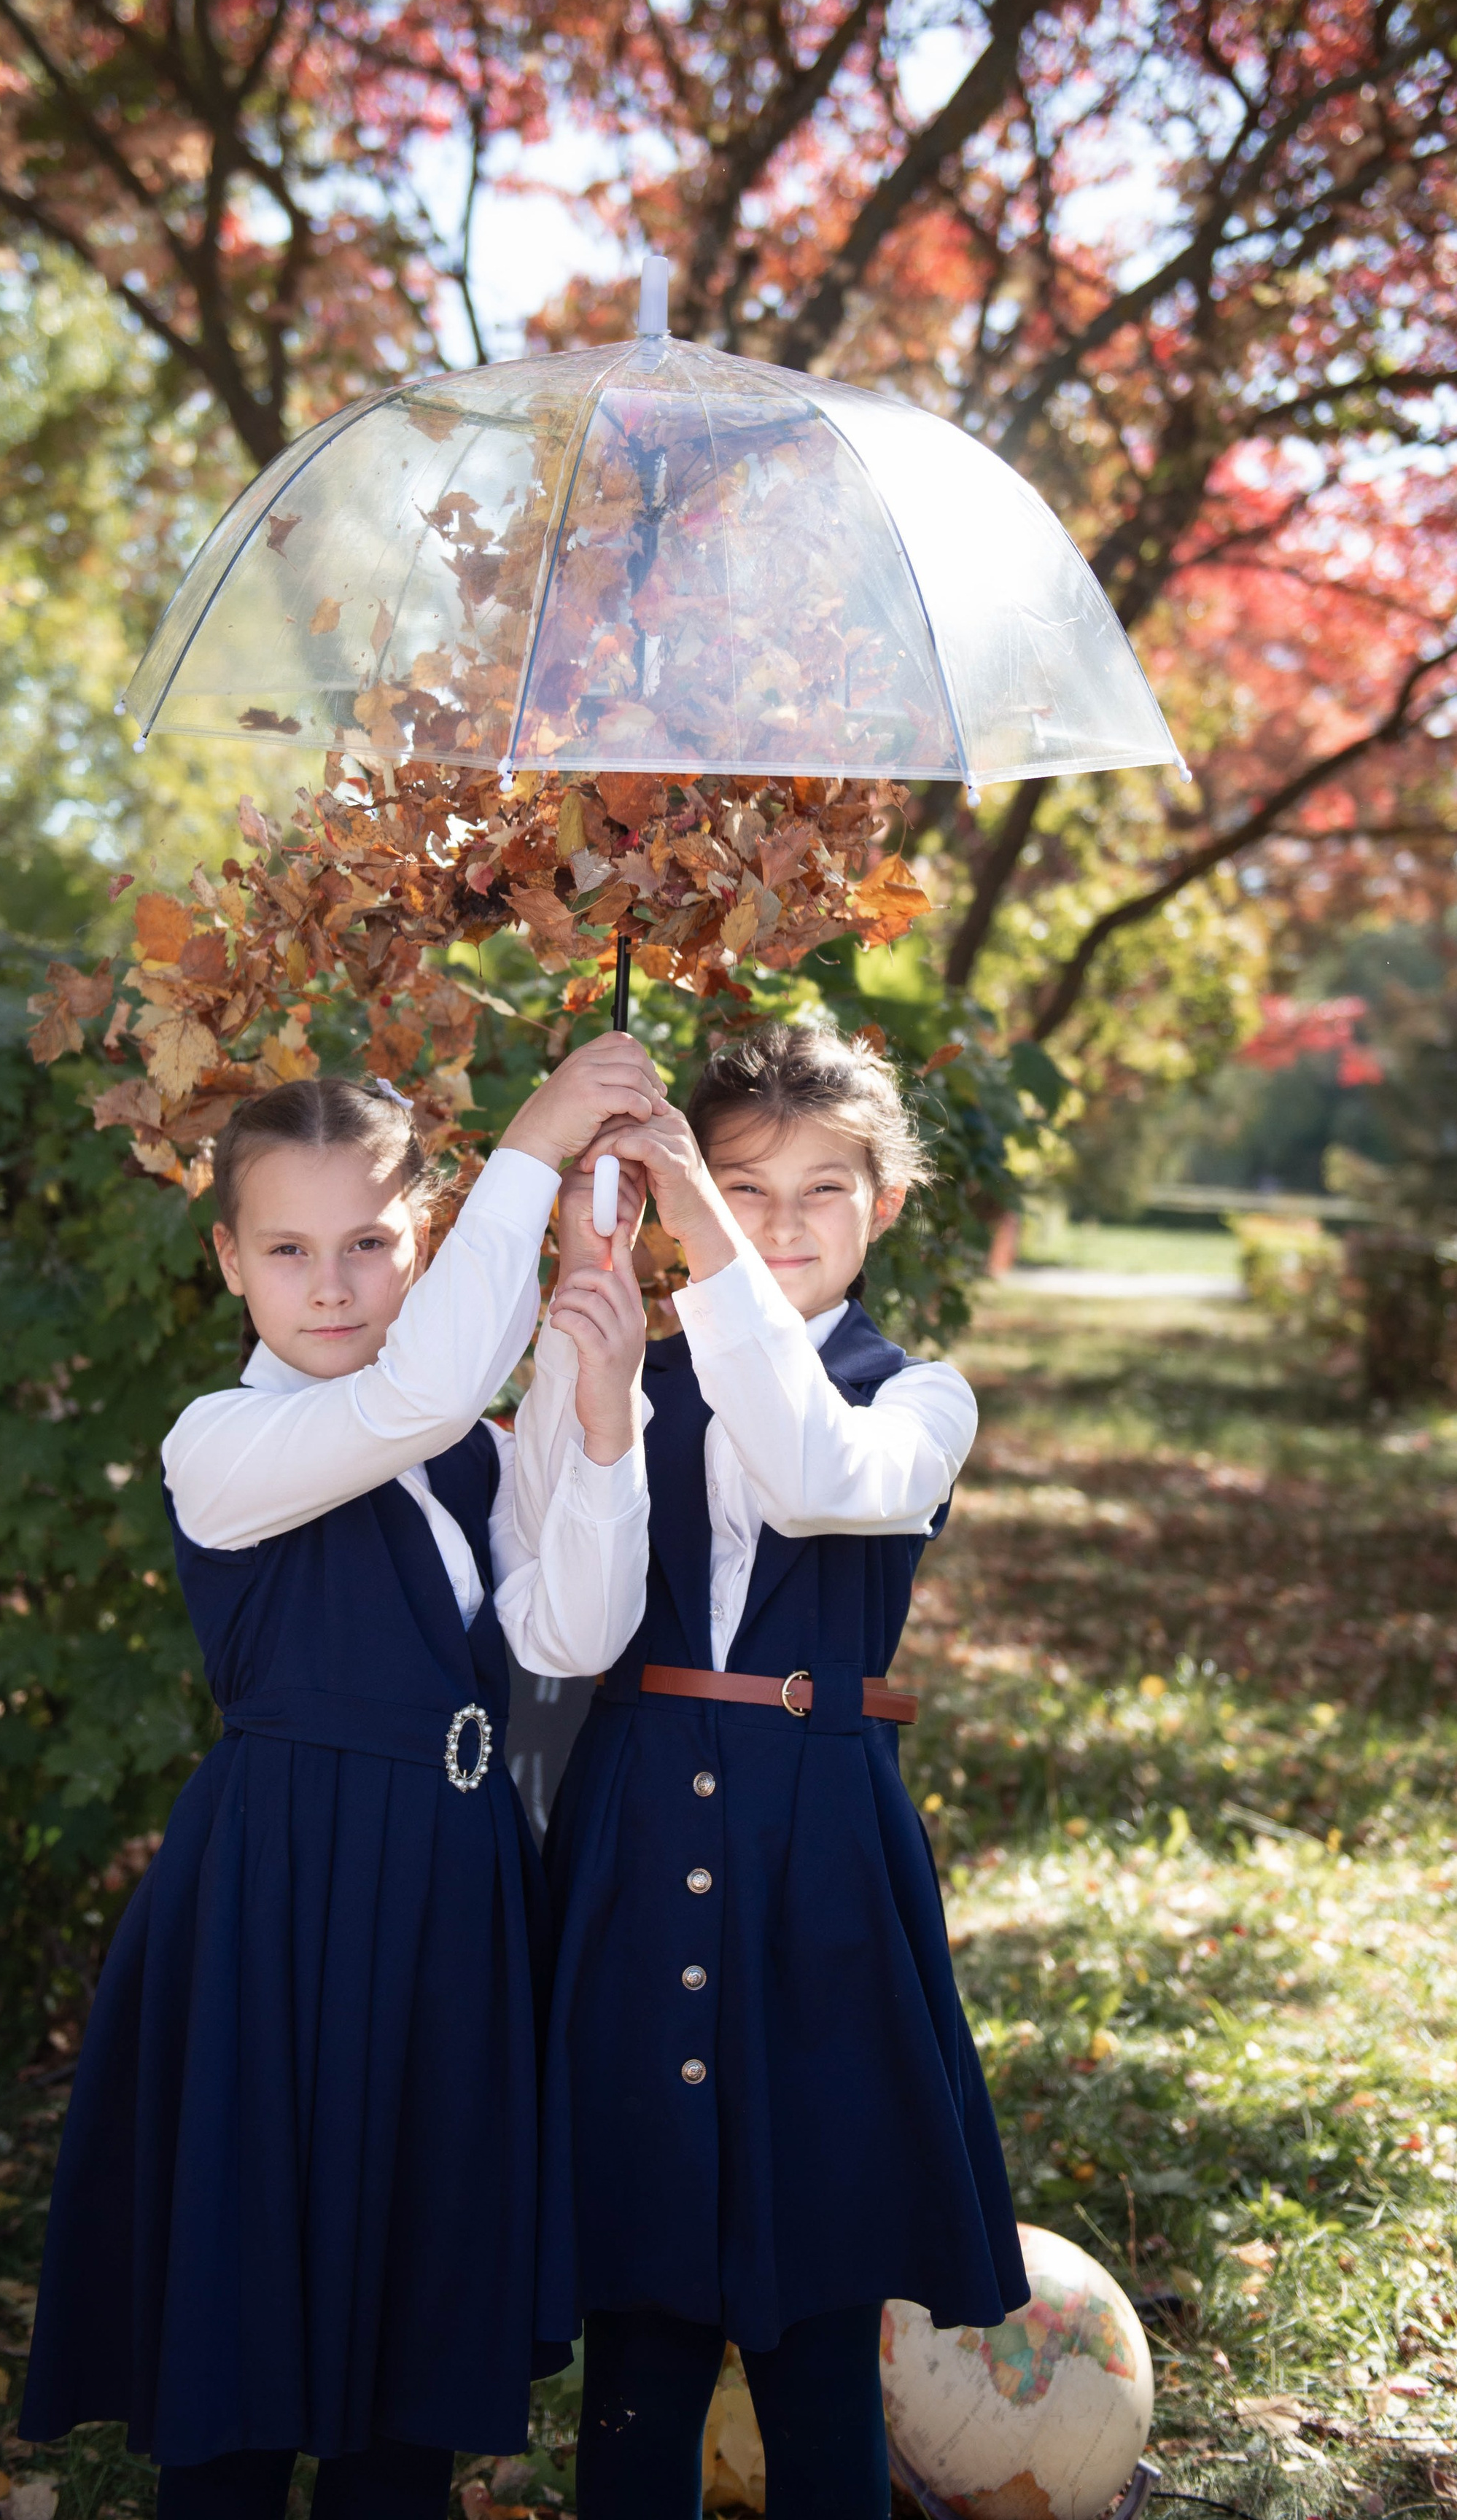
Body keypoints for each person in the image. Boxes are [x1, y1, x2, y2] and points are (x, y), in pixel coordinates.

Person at [19, 1038, 658, 2520]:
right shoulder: (226, 1444)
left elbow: (572, 1630)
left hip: (448, 1900)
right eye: (291, 1249)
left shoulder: (465, 1457)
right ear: (230, 1262)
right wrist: (542, 1129)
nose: (330, 1285)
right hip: (279, 1896)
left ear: (421, 1246)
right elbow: (409, 1401)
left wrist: (590, 1373)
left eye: (370, 1245)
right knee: (242, 2323)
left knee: (408, 2335)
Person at [518, 1021, 1030, 2520]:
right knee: (641, 2330)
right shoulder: (632, 1356)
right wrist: (585, 1362)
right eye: (741, 1187)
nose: (784, 1222)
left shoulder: (917, 1397)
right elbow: (554, 1597)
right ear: (684, 1205)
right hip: (632, 1836)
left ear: (883, 1206)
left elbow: (819, 1477)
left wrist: (701, 1236)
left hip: (821, 1864)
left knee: (816, 2323)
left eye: (823, 1189)